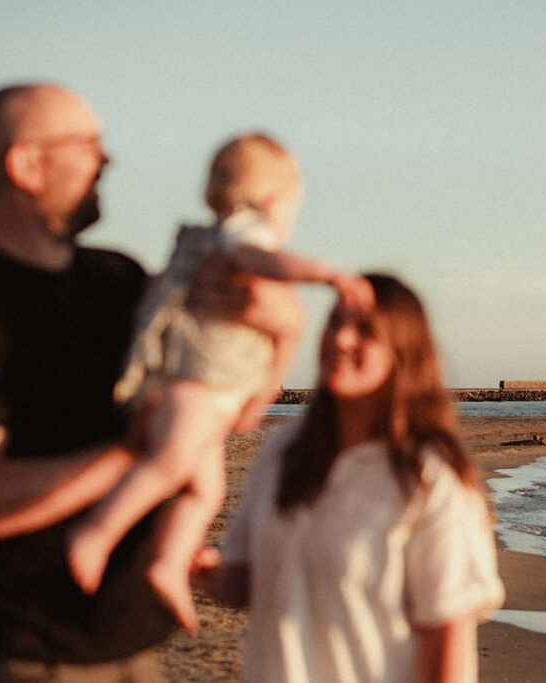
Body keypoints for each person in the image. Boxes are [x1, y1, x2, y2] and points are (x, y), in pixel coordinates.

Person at [0, 83, 303, 681]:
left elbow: (234, 412)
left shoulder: (123, 282)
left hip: (133, 643)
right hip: (17, 654)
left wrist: (284, 329)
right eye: (88, 144)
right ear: (27, 164)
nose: (107, 159)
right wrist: (133, 452)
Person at [66, 133, 371, 631]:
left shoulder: (216, 235)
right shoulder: (245, 232)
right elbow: (264, 263)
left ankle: (168, 564)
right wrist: (326, 274)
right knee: (168, 464)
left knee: (205, 492)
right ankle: (96, 534)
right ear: (274, 200)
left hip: (206, 388)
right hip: (193, 383)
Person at [198, 274, 505, 682]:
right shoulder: (284, 452)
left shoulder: (428, 477)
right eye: (334, 321)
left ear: (403, 352)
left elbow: (448, 638)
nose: (341, 339)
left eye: (365, 329)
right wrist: (193, 567)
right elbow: (246, 581)